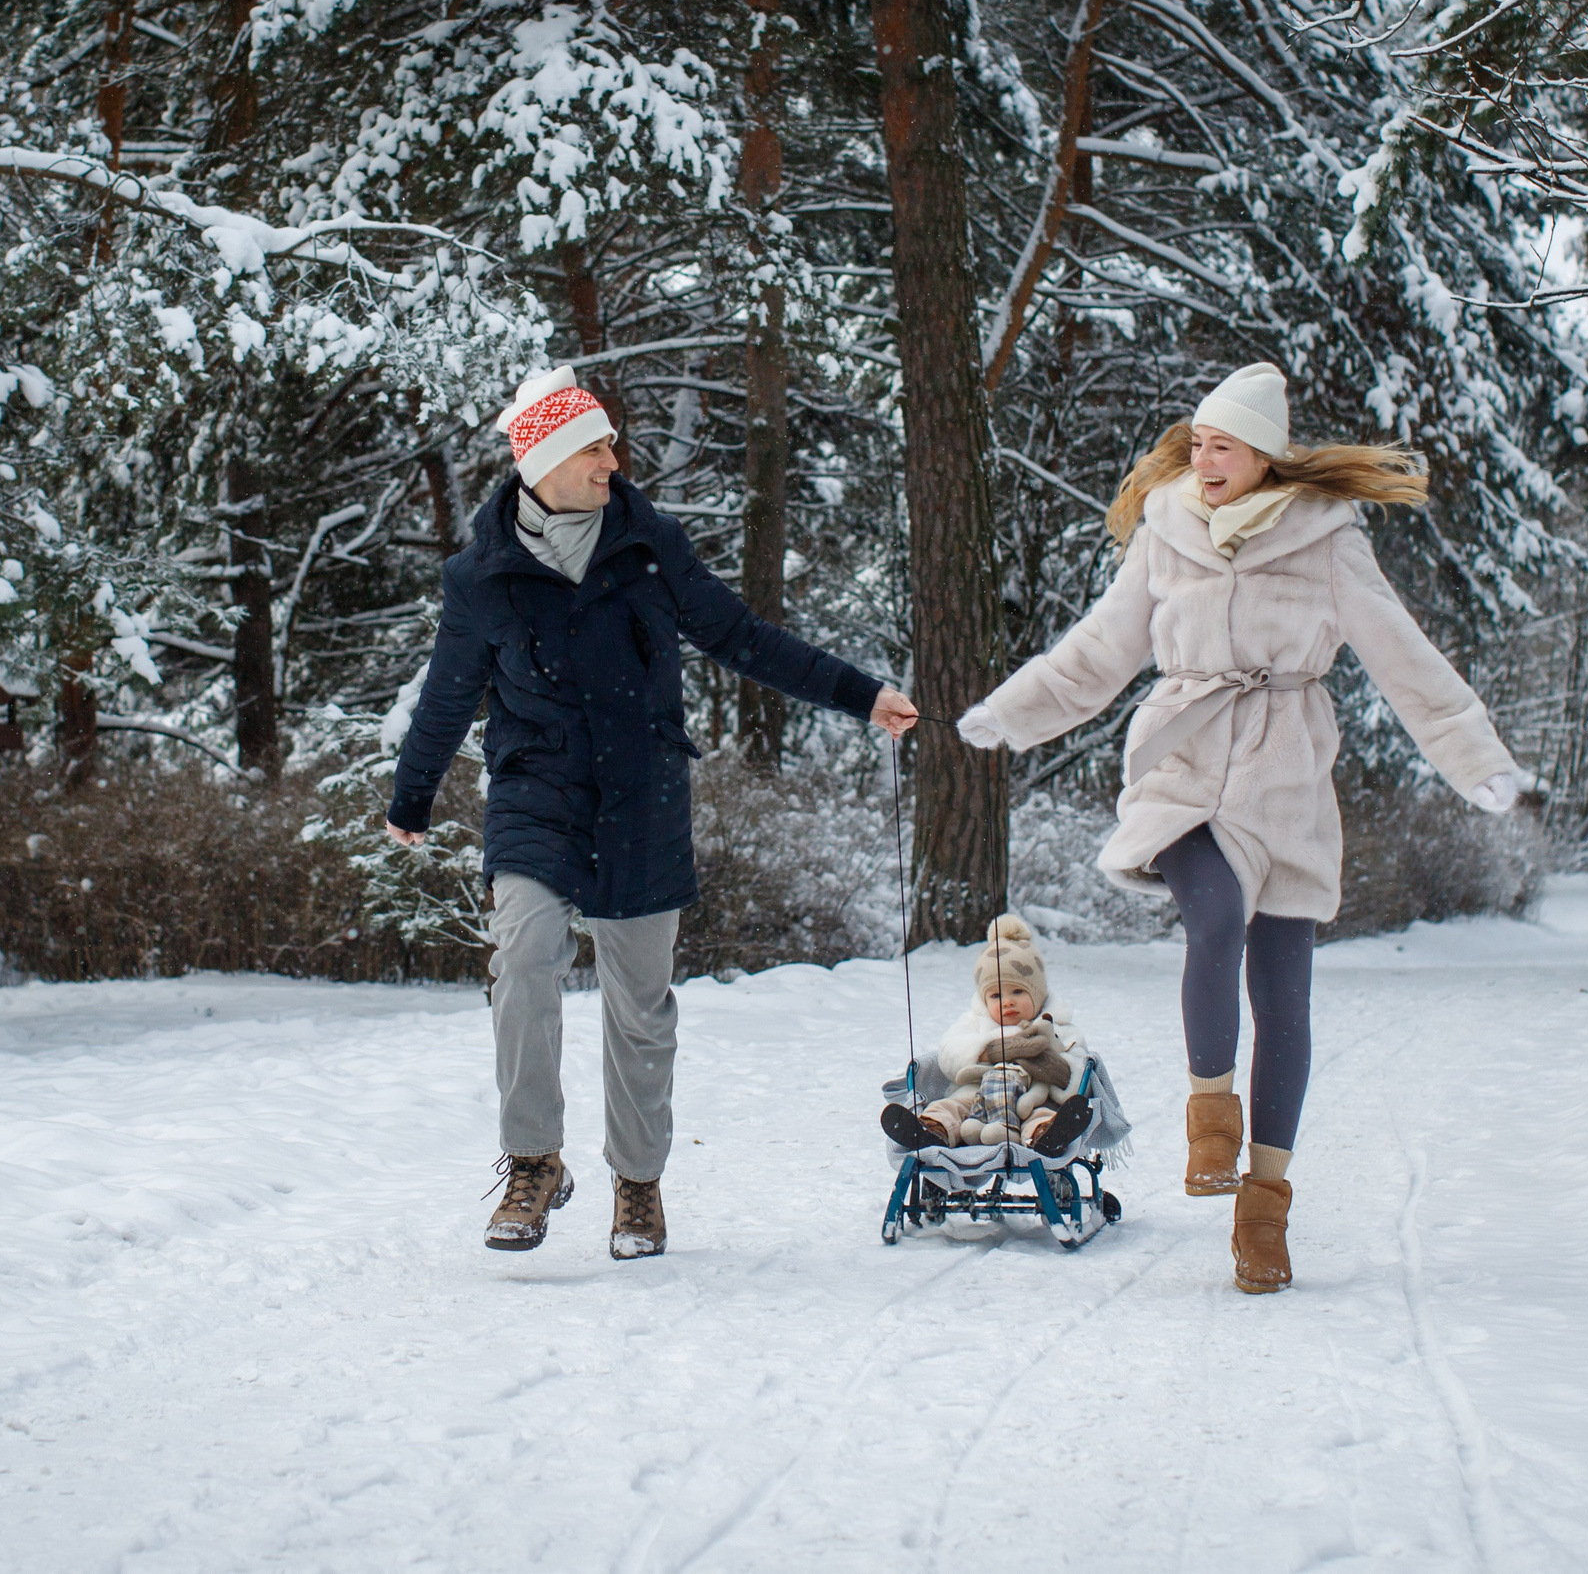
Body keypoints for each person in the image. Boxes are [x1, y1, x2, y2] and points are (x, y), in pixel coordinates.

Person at [953, 364, 1520, 1293]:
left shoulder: (1328, 541)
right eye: (1200, 441)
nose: (1204, 457)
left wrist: (1474, 757)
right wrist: (1009, 714)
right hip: (1183, 763)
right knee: (1213, 916)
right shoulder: (1168, 530)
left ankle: (1264, 1208)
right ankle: (1209, 1109)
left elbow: (1402, 654)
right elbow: (1098, 651)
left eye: (1224, 445)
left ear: (1263, 456)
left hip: (1287, 778)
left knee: (1285, 1003)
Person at [386, 365, 918, 1259]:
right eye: (596, 446)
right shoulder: (481, 575)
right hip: (536, 794)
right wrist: (412, 793)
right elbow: (449, 693)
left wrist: (862, 696)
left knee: (639, 1004)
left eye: (611, 444)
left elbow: (742, 637)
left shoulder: (648, 543)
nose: (613, 459)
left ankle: (638, 1183)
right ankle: (533, 1162)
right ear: (548, 458)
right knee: (522, 957)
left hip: (641, 796)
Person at [879, 913, 1094, 1154]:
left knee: (1041, 1113)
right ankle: (932, 1130)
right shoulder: (976, 1022)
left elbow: (1078, 1074)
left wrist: (1044, 1062)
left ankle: (1046, 1134)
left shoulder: (1057, 1026)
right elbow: (950, 1053)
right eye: (996, 995)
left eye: (1018, 992)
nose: (1007, 1002)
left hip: (1032, 1096)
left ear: (1038, 993)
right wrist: (989, 1052)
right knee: (952, 1105)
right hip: (979, 1095)